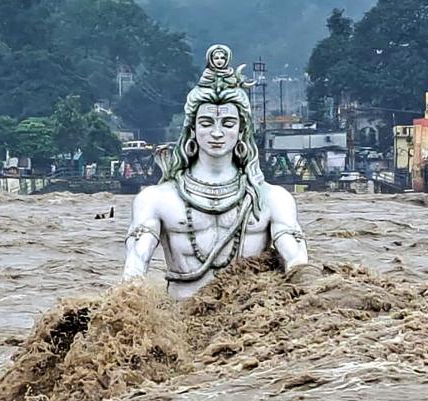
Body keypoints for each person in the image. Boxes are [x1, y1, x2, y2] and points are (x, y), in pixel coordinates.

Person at [123, 45, 308, 299]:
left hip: (249, 323)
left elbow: (297, 263)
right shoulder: (156, 199)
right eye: (207, 123)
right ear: (192, 129)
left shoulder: (273, 199)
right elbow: (135, 264)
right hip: (181, 318)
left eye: (228, 123)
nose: (217, 133)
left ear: (242, 130)